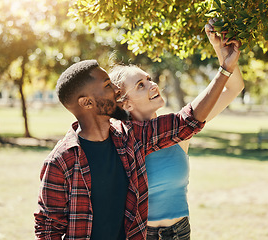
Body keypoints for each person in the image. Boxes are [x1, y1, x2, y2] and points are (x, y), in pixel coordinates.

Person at [34, 22, 240, 240]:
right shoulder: (60, 161)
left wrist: (225, 68)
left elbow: (186, 121)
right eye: (107, 86)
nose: (116, 90)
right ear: (86, 103)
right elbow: (48, 230)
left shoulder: (130, 138)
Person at [108, 19, 244, 240]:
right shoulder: (118, 141)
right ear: (126, 104)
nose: (153, 85)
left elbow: (233, 88)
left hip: (180, 233)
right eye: (140, 85)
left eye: (149, 79)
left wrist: (222, 54)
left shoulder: (180, 128)